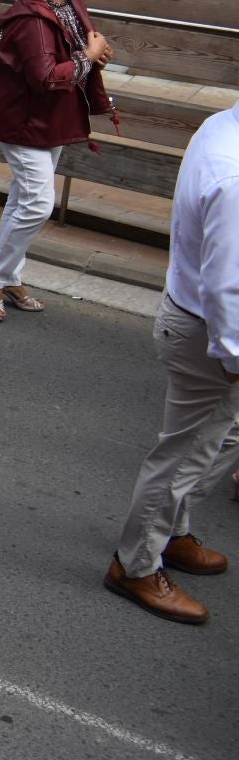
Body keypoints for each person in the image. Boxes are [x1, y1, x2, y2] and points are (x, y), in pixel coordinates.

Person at [103, 101, 238, 624]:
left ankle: (172, 532)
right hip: (213, 338)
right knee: (183, 457)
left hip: (203, 326)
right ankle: (135, 565)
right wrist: (233, 359)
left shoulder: (222, 125)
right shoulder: (232, 170)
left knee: (216, 442)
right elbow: (226, 283)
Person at [0, 0, 115, 324]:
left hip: (47, 119)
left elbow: (74, 53)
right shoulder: (33, 20)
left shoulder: (67, 5)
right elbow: (46, 77)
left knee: (23, 199)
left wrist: (96, 53)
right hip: (26, 121)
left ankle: (8, 275)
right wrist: (87, 56)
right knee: (38, 203)